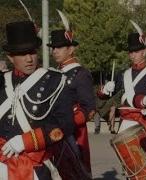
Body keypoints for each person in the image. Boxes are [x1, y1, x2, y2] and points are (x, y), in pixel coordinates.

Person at [0, 20, 75, 180]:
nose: (29, 59)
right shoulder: (2, 82)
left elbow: (65, 124)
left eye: (32, 52)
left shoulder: (55, 81)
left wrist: (26, 141)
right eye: (22, 53)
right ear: (10, 57)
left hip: (36, 167)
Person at [101, 21, 146, 156]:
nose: (133, 55)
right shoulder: (123, 74)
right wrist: (104, 90)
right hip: (125, 126)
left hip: (145, 125)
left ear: (144, 51)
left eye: (136, 51)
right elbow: (105, 97)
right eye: (131, 52)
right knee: (129, 168)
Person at [47, 11, 96, 177]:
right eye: (53, 47)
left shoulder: (80, 74)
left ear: (71, 48)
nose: (55, 51)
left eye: (59, 47)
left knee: (75, 173)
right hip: (54, 133)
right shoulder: (53, 74)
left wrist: (67, 122)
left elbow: (89, 109)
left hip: (73, 134)